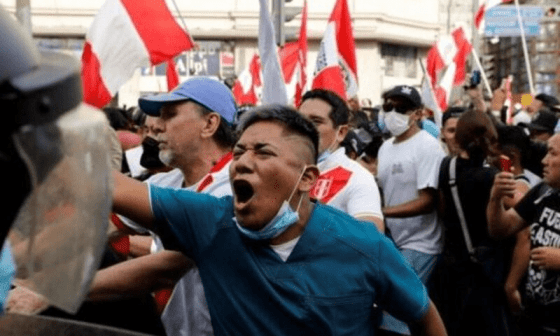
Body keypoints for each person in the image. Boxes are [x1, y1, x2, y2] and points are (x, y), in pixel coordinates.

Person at [112, 104, 448, 335]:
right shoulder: (211, 222)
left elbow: (424, 316)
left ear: (307, 178)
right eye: (240, 152)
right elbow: (113, 187)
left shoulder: (364, 246)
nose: (242, 162)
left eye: (263, 152)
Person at [91, 76, 237, 336]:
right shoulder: (165, 180)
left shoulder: (235, 188)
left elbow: (165, 269)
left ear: (209, 124)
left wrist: (50, 291)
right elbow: (99, 226)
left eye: (169, 115)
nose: (155, 127)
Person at [434, 110, 516, 336]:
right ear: (491, 138)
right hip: (486, 268)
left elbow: (442, 209)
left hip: (453, 266)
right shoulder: (493, 177)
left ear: (458, 138)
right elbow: (515, 215)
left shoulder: (446, 167)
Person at [376, 85, 446, 335]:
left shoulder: (427, 146)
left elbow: (428, 200)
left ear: (417, 114)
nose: (393, 112)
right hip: (394, 241)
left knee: (394, 310)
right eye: (388, 107)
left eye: (401, 108)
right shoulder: (386, 147)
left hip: (422, 244)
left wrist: (383, 214)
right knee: (399, 306)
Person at [488, 133, 560, 335]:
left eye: (552, 154)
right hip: (533, 317)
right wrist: (495, 199)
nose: (544, 161)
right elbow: (501, 229)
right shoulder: (542, 192)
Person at [299, 89, 384, 232]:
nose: (304, 128)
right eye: (300, 121)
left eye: (316, 122)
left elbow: (370, 241)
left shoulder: (358, 179)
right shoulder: (283, 170)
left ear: (341, 132)